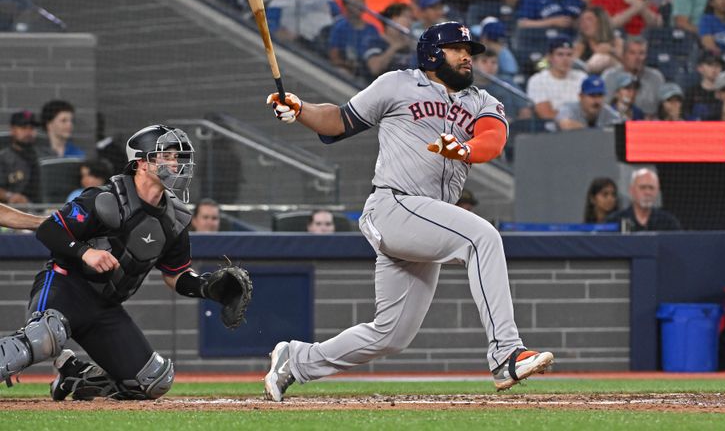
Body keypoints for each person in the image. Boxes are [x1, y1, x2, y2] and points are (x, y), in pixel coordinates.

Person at [261, 21, 554, 402]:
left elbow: (492, 139)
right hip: (393, 204)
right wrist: (300, 109)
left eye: (469, 51)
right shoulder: (396, 84)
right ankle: (505, 353)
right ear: (432, 53)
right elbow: (339, 121)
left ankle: (296, 360)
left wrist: (465, 150)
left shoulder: (481, 100)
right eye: (456, 48)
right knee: (482, 238)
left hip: (426, 217)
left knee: (391, 334)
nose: (467, 56)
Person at [0, 125, 251, 399]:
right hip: (66, 287)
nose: (175, 163)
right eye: (165, 155)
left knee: (152, 381)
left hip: (106, 307)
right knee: (43, 337)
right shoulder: (105, 198)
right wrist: (85, 252)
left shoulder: (176, 218)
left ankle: (72, 376)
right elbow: (49, 229)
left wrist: (207, 288)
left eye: (178, 157)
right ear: (142, 163)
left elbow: (175, 274)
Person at [525, 36, 587, 120]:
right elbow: (546, 115)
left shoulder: (582, 77)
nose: (565, 59)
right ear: (550, 57)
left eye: (569, 55)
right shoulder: (538, 80)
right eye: (560, 54)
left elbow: (590, 109)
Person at [601, 36, 665, 117]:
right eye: (632, 53)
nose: (637, 58)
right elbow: (603, 108)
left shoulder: (656, 78)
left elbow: (663, 109)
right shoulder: (610, 76)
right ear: (624, 55)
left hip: (649, 125)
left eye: (641, 53)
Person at [327, 0, 381, 78]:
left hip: (368, 72)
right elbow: (334, 57)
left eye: (362, 0)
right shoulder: (340, 26)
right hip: (347, 71)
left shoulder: (372, 29)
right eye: (356, 1)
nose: (361, 5)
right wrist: (349, 65)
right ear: (347, 5)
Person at [607, 168, 682, 232]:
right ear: (631, 190)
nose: (647, 192)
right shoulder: (614, 221)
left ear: (657, 191)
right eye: (642, 187)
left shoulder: (668, 223)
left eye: (651, 188)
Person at [0, 111, 41, 204]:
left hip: (45, 209)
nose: (28, 132)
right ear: (13, 130)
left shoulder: (44, 155)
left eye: (31, 128)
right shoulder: (3, 158)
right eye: (23, 128)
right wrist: (9, 196)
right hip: (15, 211)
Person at [364, 3, 417, 77]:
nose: (410, 22)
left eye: (411, 19)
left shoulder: (409, 46)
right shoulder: (375, 41)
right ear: (394, 19)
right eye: (406, 17)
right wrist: (394, 48)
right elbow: (375, 68)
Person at [556, 75, 622, 130]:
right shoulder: (569, 108)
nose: (596, 100)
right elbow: (565, 124)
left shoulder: (608, 112)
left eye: (600, 95)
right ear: (581, 96)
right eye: (592, 95)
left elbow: (622, 125)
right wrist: (591, 132)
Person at [573, 6, 622, 74]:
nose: (584, 23)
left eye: (589, 19)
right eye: (582, 20)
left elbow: (625, 63)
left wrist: (611, 50)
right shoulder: (580, 45)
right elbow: (572, 64)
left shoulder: (615, 41)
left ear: (601, 21)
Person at [684, 51, 723, 119]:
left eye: (717, 65)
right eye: (710, 65)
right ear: (700, 68)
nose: (714, 69)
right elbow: (686, 115)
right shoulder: (691, 92)